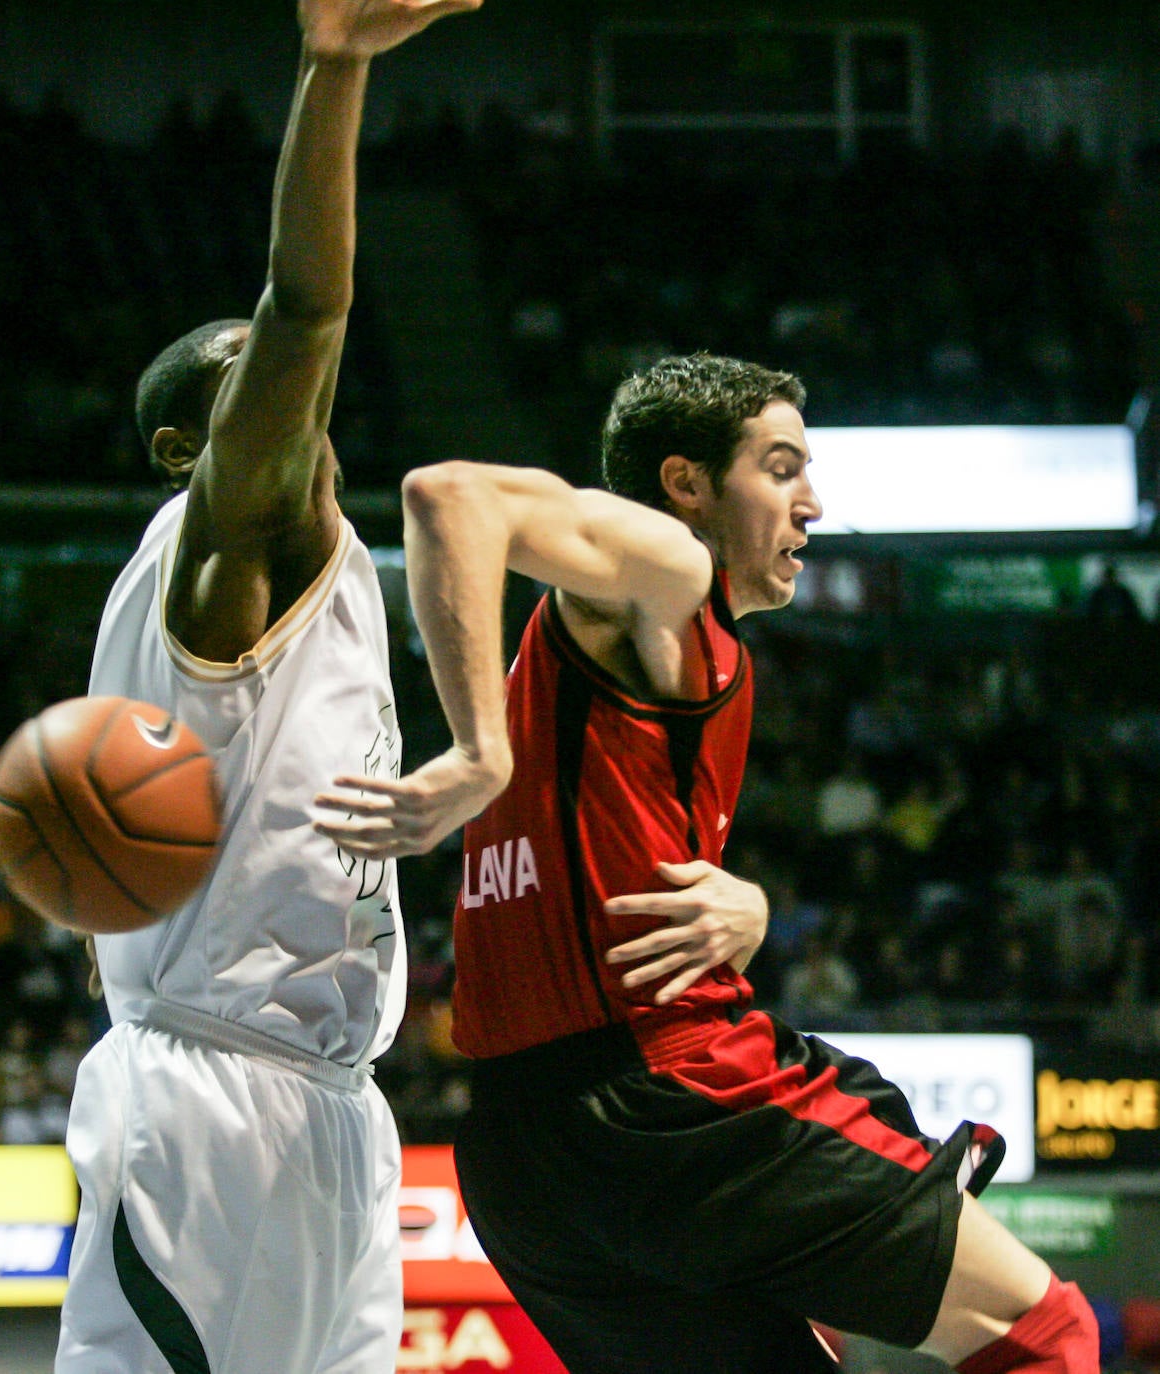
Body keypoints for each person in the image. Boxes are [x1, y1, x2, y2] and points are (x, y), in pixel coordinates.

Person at [317, 353, 1099, 1372]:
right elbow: (449, 493)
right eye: (779, 469)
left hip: (523, 1158)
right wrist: (477, 750)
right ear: (685, 483)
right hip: (668, 1099)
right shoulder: (672, 574)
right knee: (1042, 1333)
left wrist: (752, 905)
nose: (811, 503)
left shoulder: (618, 661)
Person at [52, 3, 487, 1371]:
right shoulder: (213, 552)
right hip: (209, 1104)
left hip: (333, 1103)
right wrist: (334, 68)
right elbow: (305, 304)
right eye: (248, 393)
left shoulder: (329, 571)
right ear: (188, 446)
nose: (291, 401)